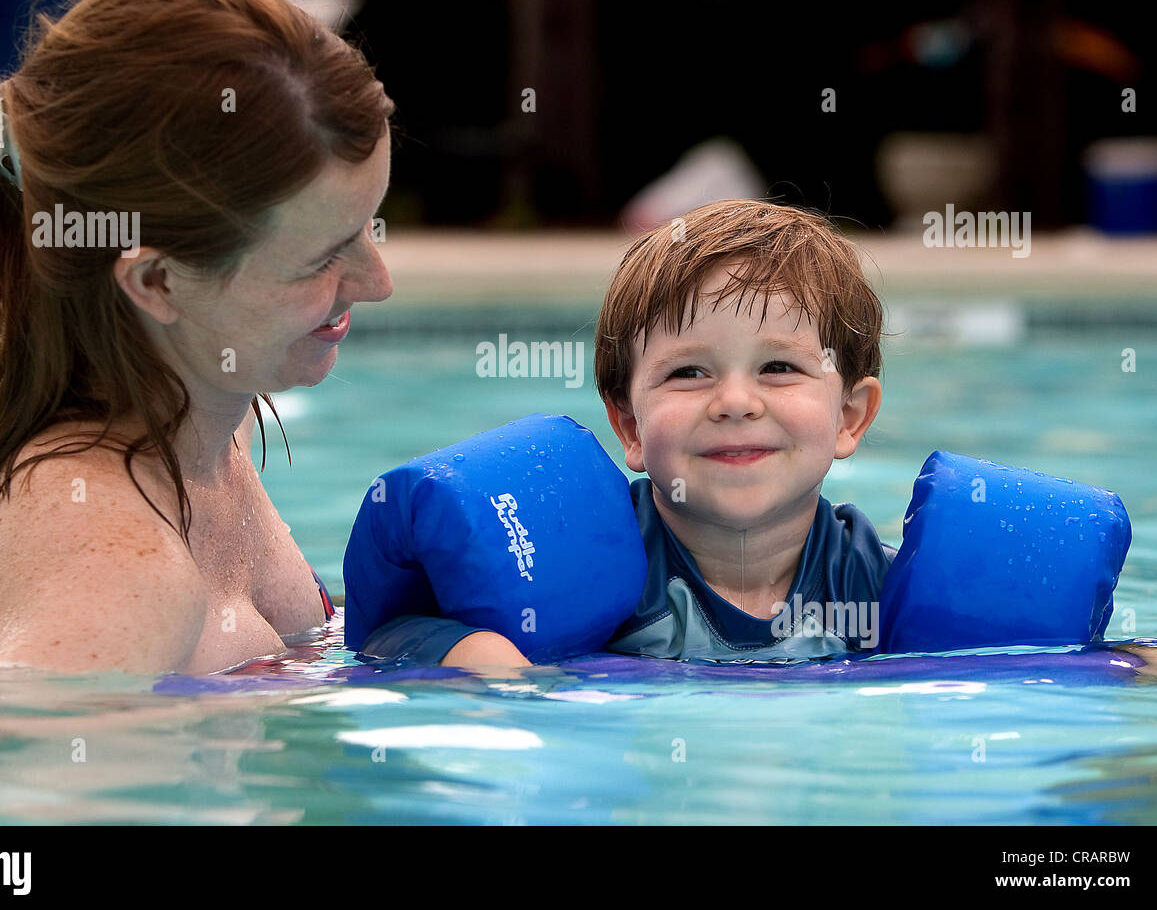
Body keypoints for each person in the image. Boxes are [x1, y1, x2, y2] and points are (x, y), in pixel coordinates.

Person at [0, 0, 395, 675]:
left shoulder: (201, 441)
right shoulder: (113, 577)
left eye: (368, 226)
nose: (378, 280)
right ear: (158, 281)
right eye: (322, 255)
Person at [362, 199, 892, 666]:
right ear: (630, 427)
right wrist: (467, 651)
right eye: (688, 372)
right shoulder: (576, 562)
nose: (735, 402)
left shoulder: (880, 588)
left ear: (849, 417)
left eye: (778, 367)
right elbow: (382, 637)